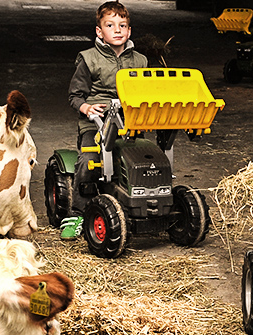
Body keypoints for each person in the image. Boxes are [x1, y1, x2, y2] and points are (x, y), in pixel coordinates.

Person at [66, 1, 147, 233]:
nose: (118, 29)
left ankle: (139, 202)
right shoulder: (88, 58)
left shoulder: (140, 61)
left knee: (143, 159)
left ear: (129, 31)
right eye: (110, 25)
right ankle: (77, 214)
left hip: (129, 123)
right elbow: (75, 96)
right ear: (99, 32)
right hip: (97, 123)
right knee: (87, 163)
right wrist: (87, 109)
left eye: (123, 25)